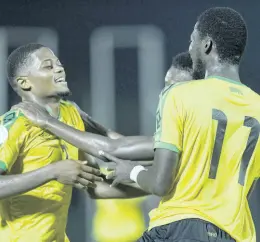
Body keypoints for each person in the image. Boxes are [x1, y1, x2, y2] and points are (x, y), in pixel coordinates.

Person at [97, 7, 260, 242]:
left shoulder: (180, 95)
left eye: (192, 40)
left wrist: (131, 170)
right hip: (236, 234)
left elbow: (160, 183)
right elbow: (247, 189)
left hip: (180, 228)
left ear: (206, 45)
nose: (190, 48)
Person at [0, 43, 146, 242]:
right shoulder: (14, 123)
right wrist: (52, 171)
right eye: (48, 66)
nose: (59, 69)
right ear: (25, 83)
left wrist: (155, 185)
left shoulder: (71, 114)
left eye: (59, 64)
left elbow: (95, 185)